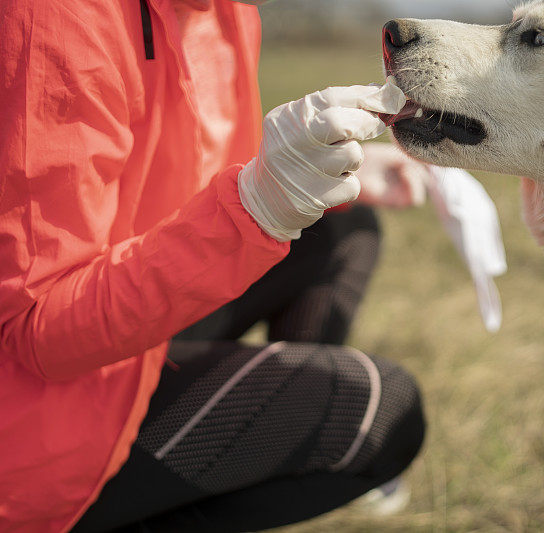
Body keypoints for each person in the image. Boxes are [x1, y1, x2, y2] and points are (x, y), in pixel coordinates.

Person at [0, 1, 433, 531]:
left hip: (129, 328)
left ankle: (245, 442)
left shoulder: (227, 12)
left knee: (342, 227)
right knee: (377, 410)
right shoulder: (54, 18)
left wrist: (321, 172)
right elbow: (38, 329)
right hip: (32, 436)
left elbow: (182, 168)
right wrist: (258, 206)